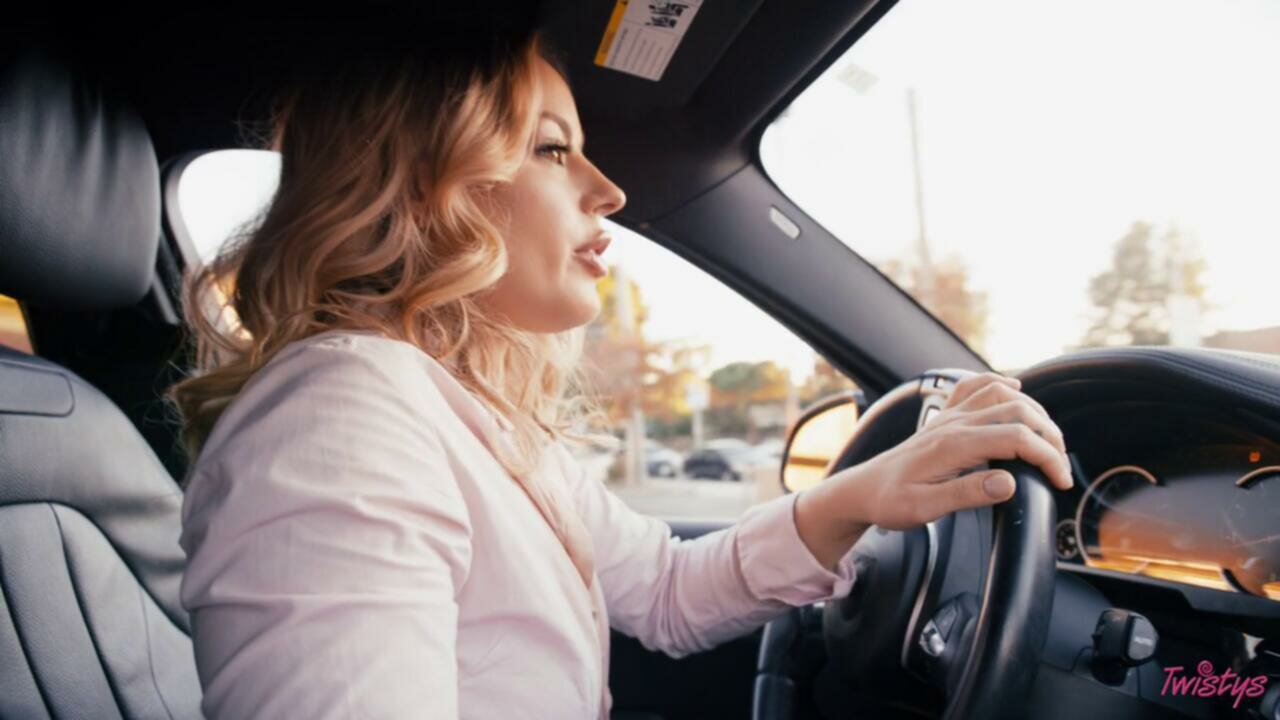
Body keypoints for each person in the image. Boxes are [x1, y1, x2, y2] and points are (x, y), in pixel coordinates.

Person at [168, 21, 1073, 720]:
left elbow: (670, 595)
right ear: (421, 185)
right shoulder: (343, 416)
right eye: (552, 147)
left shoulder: (467, 418)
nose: (608, 190)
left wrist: (857, 496)